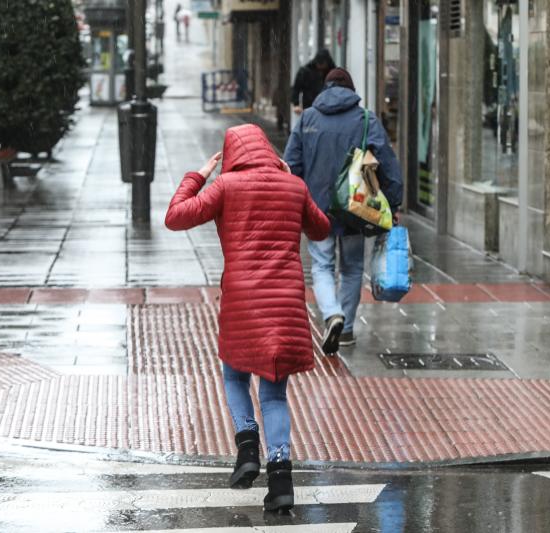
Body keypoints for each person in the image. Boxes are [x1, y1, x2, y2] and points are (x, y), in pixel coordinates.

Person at [165, 124, 330, 513]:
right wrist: (292, 181)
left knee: (234, 375)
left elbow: (175, 216)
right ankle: (281, 481)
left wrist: (197, 176)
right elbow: (321, 230)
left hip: (242, 301)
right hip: (285, 302)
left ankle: (247, 446)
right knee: (274, 394)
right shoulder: (293, 187)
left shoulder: (226, 186)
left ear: (233, 154)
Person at [284, 68, 403, 354]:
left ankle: (332, 314)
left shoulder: (308, 118)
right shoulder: (366, 120)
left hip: (317, 209)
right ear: (351, 90)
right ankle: (346, 328)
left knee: (322, 266)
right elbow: (387, 164)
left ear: (325, 88)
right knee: (351, 268)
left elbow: (290, 164)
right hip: (356, 208)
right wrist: (393, 203)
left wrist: (294, 203)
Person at [291, 49, 336, 115]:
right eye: (319, 63)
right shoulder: (305, 71)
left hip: (328, 108)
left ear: (327, 63)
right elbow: (296, 88)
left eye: (322, 63)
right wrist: (296, 104)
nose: (320, 66)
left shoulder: (333, 73)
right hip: (310, 107)